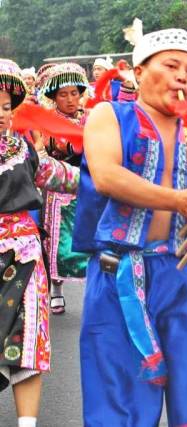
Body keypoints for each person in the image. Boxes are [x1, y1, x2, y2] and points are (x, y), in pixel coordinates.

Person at [78, 27, 187, 426]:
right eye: (172, 65)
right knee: (121, 403)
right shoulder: (108, 115)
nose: (183, 76)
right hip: (121, 274)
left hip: (186, 273)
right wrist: (178, 199)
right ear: (139, 71)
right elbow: (108, 176)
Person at [0, 58, 79, 427]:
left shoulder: (23, 147)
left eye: (5, 106)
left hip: (25, 255)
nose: (1, 115)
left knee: (28, 340)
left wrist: (109, 178)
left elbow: (55, 174)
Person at [38, 62, 90, 314]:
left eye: (74, 93)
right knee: (57, 243)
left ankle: (95, 289)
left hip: (89, 186)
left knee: (91, 238)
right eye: (63, 94)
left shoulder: (91, 117)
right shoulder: (47, 123)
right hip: (59, 189)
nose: (70, 99)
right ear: (53, 97)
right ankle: (56, 290)